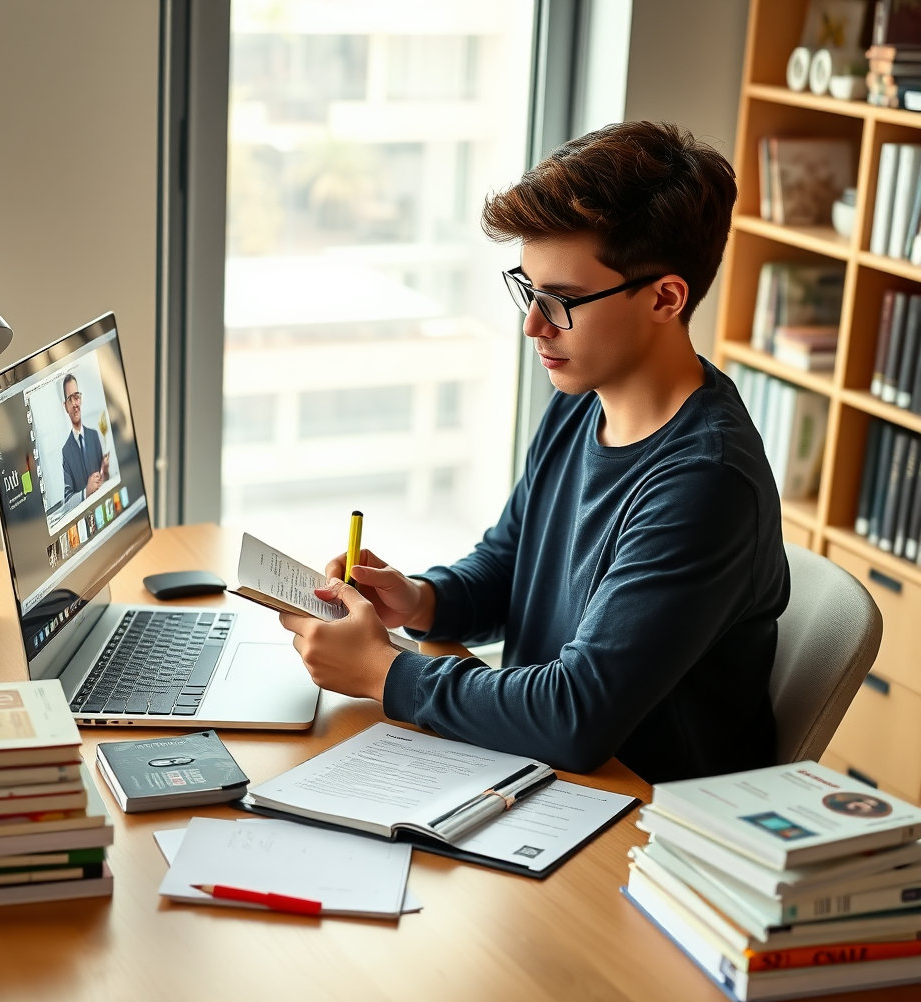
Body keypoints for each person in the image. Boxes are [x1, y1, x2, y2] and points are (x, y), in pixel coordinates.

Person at [279, 121, 790, 784]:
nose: (533, 324)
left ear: (666, 297)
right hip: (541, 778)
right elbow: (510, 562)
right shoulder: (585, 396)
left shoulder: (705, 483)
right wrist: (419, 600)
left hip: (642, 824)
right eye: (528, 288)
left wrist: (382, 670)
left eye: (562, 301)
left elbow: (575, 717)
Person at [60, 373, 108, 507]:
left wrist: (107, 471)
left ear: (81, 399)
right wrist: (86, 492)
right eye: (70, 399)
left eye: (77, 397)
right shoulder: (66, 452)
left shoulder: (94, 435)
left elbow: (104, 477)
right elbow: (68, 499)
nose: (75, 404)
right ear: (65, 407)